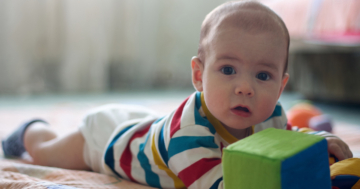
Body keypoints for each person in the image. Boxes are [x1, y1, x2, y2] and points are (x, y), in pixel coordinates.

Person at [2, 1, 353, 188]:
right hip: (107, 142)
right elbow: (215, 185)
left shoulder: (271, 113)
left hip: (145, 125)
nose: (245, 87)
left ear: (281, 87)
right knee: (48, 152)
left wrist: (316, 142)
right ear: (198, 76)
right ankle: (30, 129)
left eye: (263, 75)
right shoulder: (189, 135)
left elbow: (285, 141)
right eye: (228, 70)